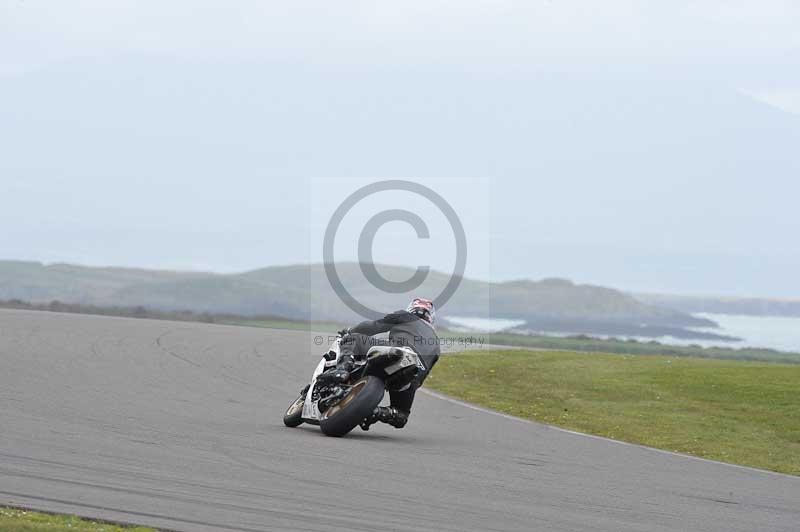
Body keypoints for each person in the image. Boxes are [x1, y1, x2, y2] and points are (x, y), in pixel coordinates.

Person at [319, 298, 440, 430]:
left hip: (397, 352)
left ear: (411, 308)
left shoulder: (405, 316)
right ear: (430, 317)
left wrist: (350, 330)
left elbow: (373, 326)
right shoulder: (436, 343)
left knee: (353, 339)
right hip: (412, 374)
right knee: (401, 415)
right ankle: (378, 412)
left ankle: (342, 369)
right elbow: (423, 377)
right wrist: (411, 384)